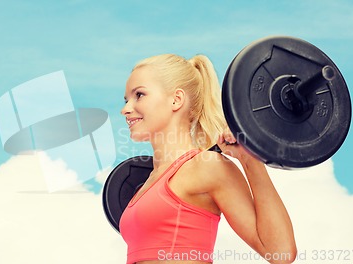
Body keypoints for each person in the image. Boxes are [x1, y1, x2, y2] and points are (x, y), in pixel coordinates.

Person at [119, 54, 297, 264]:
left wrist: (250, 161)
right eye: (126, 100)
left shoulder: (207, 167)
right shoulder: (146, 184)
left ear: (176, 99)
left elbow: (280, 251)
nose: (126, 109)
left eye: (139, 95)